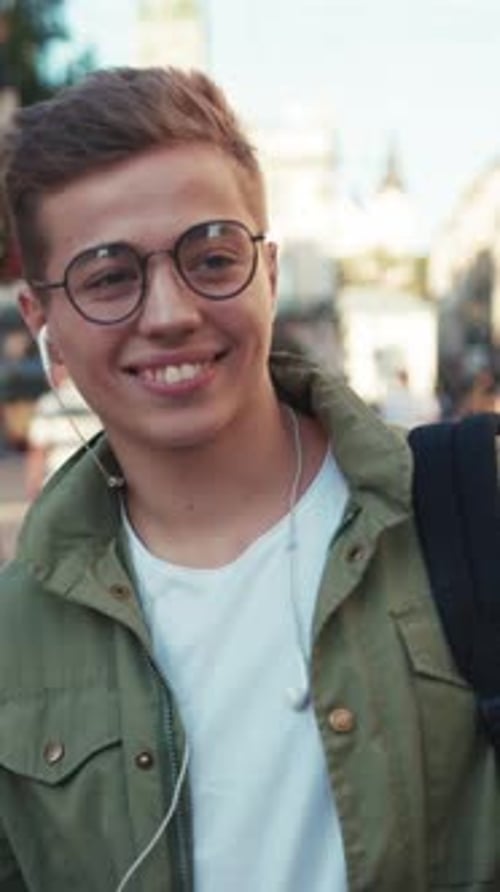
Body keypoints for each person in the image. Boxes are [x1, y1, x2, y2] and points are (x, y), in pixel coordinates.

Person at [0, 66, 497, 892]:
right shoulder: (14, 640)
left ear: (267, 272)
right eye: (109, 276)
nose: (169, 313)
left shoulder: (472, 508)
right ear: (42, 322)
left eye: (212, 255)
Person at [24, 363, 101, 499]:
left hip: (58, 480)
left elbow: (39, 450)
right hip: (96, 479)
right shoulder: (99, 399)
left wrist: (33, 484)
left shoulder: (49, 403)